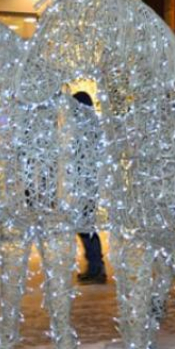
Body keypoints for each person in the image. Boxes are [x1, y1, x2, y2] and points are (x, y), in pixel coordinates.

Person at [73, 91, 106, 284]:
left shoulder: (87, 127)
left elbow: (86, 158)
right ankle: (94, 266)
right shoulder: (86, 126)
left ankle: (96, 269)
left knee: (86, 227)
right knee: (84, 227)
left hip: (86, 185)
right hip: (84, 184)